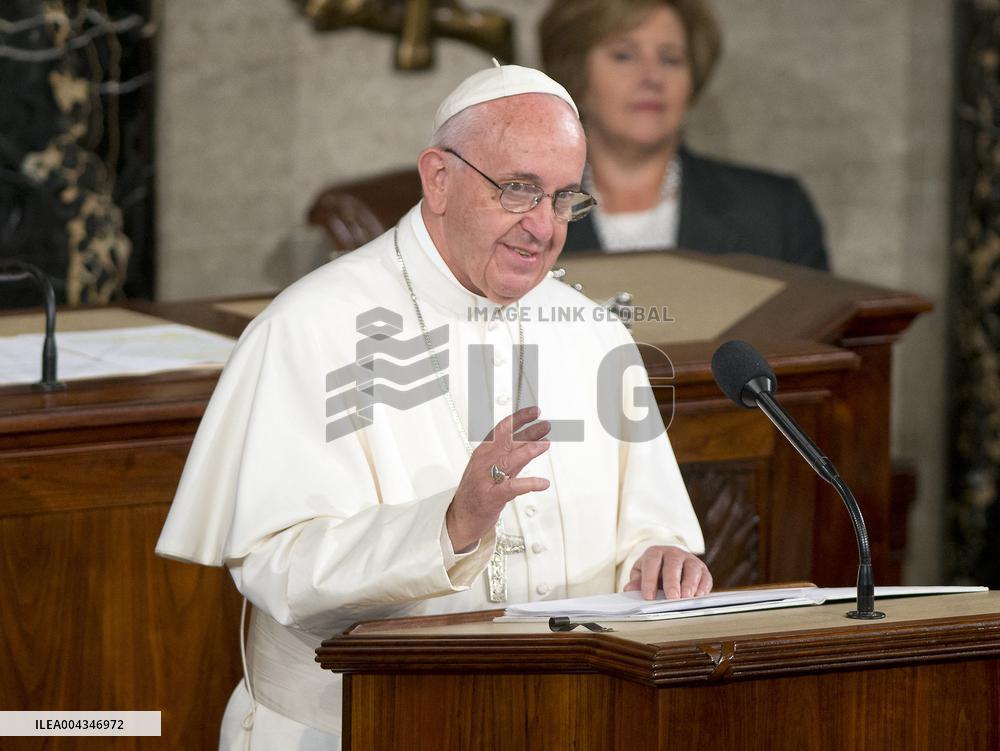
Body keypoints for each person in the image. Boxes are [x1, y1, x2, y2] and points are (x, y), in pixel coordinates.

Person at [156, 62, 710, 750]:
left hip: (563, 720)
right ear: (439, 179)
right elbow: (279, 567)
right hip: (351, 729)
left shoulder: (594, 333)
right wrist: (450, 524)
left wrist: (659, 556)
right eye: (518, 189)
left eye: (565, 198)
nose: (544, 227)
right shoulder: (309, 328)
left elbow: (647, 524)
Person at [539, 0, 830, 270]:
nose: (652, 77)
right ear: (575, 74)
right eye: (624, 56)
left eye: (670, 59)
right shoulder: (527, 208)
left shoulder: (776, 210)